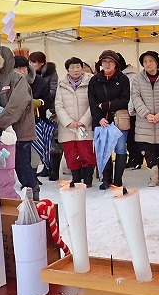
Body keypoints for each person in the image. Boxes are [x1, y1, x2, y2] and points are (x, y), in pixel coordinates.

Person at [0, 46, 37, 198]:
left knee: (22, 166)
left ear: (2, 60)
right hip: (0, 135)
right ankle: (4, 200)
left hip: (20, 131)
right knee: (5, 168)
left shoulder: (17, 79)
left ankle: (33, 198)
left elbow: (17, 104)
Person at [131, 51, 159, 187]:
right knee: (148, 152)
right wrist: (146, 114)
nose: (148, 64)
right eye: (145, 61)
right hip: (145, 123)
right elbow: (135, 97)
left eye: (151, 61)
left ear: (156, 62)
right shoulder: (137, 79)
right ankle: (154, 178)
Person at [88, 50, 131, 191]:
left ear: (116, 64)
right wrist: (98, 117)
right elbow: (92, 101)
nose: (107, 64)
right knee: (104, 149)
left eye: (110, 61)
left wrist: (106, 105)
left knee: (120, 148)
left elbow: (124, 99)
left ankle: (118, 180)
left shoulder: (123, 79)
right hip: (101, 120)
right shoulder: (94, 80)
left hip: (118, 119)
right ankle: (106, 179)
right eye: (104, 61)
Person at [55, 57, 97, 188]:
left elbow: (93, 103)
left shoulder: (91, 81)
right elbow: (58, 105)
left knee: (87, 153)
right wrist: (68, 122)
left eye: (78, 66)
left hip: (85, 125)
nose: (75, 70)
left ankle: (88, 179)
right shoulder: (61, 83)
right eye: (72, 67)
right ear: (67, 70)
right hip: (68, 127)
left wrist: (83, 121)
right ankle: (76, 178)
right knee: (71, 154)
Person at [29, 51, 60, 179]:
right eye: (30, 62)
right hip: (36, 110)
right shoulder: (30, 75)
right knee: (40, 139)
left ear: (42, 63)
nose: (32, 64)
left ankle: (54, 170)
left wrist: (42, 98)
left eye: (34, 62)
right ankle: (46, 168)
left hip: (50, 109)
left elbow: (54, 91)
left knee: (51, 139)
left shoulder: (51, 73)